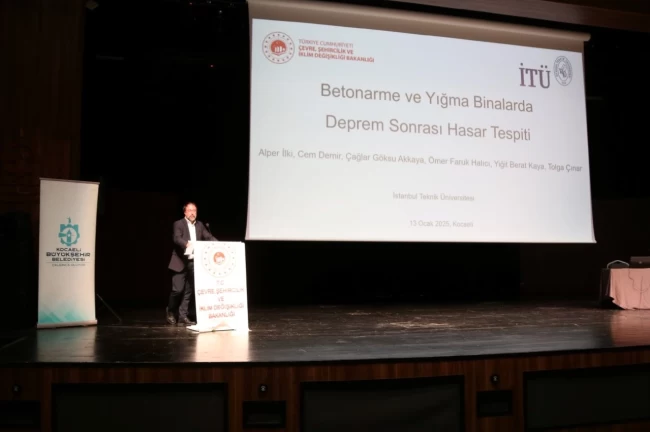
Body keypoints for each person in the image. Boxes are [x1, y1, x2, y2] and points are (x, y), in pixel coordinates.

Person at [166, 201, 217, 325]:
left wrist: (220, 244)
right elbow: (177, 238)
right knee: (178, 290)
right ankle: (170, 311)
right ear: (185, 212)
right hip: (180, 262)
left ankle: (182, 316)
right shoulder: (178, 224)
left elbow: (208, 237)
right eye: (190, 210)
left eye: (194, 210)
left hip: (194, 263)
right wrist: (186, 244)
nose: (192, 213)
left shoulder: (200, 225)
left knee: (188, 291)